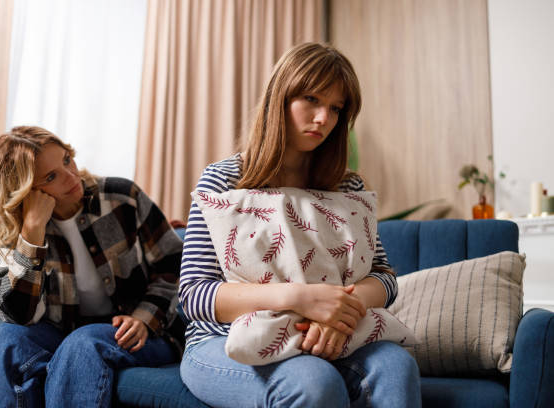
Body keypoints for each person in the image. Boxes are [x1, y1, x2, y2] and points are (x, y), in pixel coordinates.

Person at [179, 43, 421, 407]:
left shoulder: (348, 187)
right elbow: (195, 296)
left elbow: (384, 277)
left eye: (336, 108)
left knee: (397, 366)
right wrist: (301, 299)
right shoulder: (224, 180)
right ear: (281, 96)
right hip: (222, 339)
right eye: (312, 99)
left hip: (335, 334)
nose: (324, 117)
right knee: (313, 381)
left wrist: (339, 313)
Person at [0, 126, 185, 407]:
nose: (71, 176)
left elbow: (174, 262)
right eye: (51, 177)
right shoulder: (20, 228)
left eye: (66, 160)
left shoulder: (120, 197)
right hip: (62, 332)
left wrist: (145, 316)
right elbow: (15, 316)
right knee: (0, 340)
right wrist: (32, 231)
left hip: (139, 330)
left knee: (83, 342)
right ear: (27, 192)